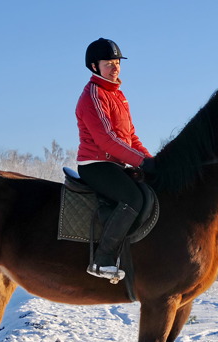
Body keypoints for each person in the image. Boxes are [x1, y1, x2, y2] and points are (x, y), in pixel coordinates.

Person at [75, 38, 155, 282]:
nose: (115, 67)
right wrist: (141, 162)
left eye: (117, 62)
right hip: (96, 165)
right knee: (132, 198)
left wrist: (154, 162)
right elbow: (107, 141)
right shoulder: (93, 95)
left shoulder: (118, 96)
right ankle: (102, 260)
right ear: (94, 66)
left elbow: (130, 137)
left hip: (116, 164)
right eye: (108, 63)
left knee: (146, 192)